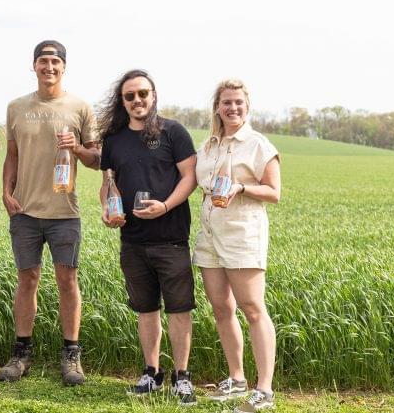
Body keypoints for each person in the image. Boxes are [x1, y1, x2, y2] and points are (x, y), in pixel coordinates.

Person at [0, 40, 100, 386]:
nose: (49, 67)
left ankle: (71, 355)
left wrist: (79, 148)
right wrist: (5, 191)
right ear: (34, 66)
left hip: (64, 212)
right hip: (25, 211)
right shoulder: (16, 107)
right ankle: (21, 352)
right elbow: (11, 154)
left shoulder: (81, 107)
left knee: (67, 280)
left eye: (55, 62)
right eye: (43, 61)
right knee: (27, 279)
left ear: (64, 67)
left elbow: (97, 159)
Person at [97, 69, 198, 405]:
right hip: (133, 240)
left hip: (171, 238)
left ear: (153, 95)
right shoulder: (113, 140)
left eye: (143, 93)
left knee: (179, 308)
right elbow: (108, 184)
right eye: (130, 96)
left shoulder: (174, 132)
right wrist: (107, 210)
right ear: (122, 101)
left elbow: (190, 177)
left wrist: (166, 206)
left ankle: (181, 377)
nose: (137, 100)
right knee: (146, 309)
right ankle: (151, 373)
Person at [192, 79, 281, 412]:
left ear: (247, 106)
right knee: (221, 308)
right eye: (226, 102)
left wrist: (241, 188)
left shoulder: (258, 145)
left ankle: (265, 391)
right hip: (210, 236)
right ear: (218, 106)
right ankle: (237, 378)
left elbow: (274, 192)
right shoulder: (209, 146)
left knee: (253, 309)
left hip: (242, 235)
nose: (232, 108)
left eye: (238, 103)